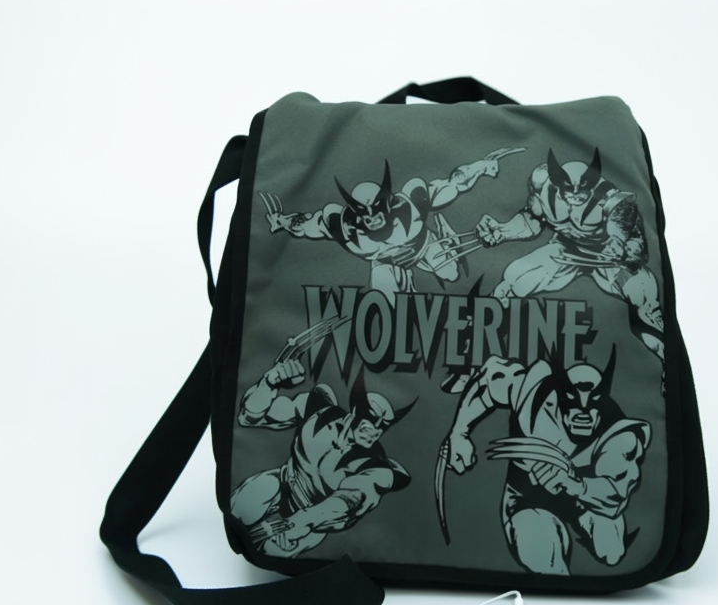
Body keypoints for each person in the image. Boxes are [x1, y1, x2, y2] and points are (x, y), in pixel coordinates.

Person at [439, 350, 651, 574]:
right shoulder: (533, 396)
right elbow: (490, 380)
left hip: (587, 497)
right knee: (544, 554)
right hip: (528, 498)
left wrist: (576, 485)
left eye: (592, 405)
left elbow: (617, 492)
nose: (583, 412)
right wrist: (459, 433)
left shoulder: (618, 436)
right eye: (574, 403)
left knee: (612, 550)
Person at [475, 148, 664, 363]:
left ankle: (665, 364)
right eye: (568, 187)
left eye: (582, 188)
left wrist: (625, 250)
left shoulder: (613, 200)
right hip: (565, 251)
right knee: (511, 282)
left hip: (607, 260)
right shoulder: (542, 185)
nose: (575, 193)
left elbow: (639, 247)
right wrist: (503, 231)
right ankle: (473, 349)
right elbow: (532, 220)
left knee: (645, 302)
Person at [261, 147, 522, 300]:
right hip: (384, 262)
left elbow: (454, 183)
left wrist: (482, 166)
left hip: (423, 246)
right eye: (365, 213)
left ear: (387, 204)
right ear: (355, 213)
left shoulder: (411, 204)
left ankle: (446, 237)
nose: (373, 217)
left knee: (452, 274)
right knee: (384, 300)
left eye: (377, 209)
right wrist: (281, 221)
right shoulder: (343, 226)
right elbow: (307, 224)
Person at [230, 357, 413, 557]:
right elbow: (249, 417)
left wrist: (303, 521)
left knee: (274, 551)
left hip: (313, 522)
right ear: (355, 411)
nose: (376, 430)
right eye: (371, 418)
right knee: (247, 500)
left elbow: (349, 501)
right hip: (282, 482)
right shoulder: (318, 412)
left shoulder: (378, 468)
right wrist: (268, 384)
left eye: (383, 425)